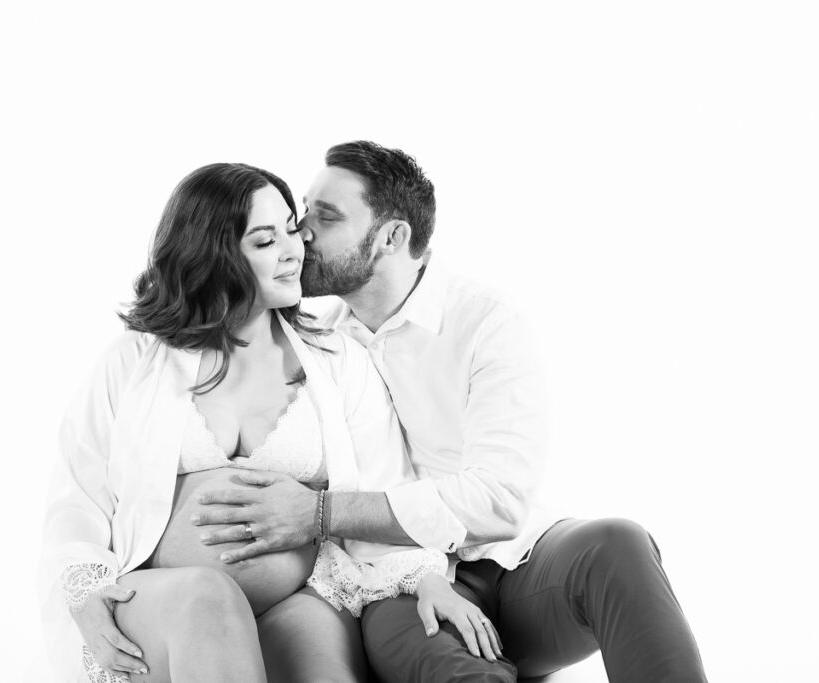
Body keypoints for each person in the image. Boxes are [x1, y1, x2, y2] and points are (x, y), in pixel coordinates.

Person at [193, 142, 710, 682]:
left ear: (393, 237)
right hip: (397, 580)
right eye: (305, 212)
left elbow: (499, 500)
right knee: (448, 664)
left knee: (618, 543)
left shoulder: (485, 323)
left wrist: (320, 512)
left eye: (326, 217)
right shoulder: (314, 345)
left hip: (517, 564)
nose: (300, 235)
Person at [38, 162, 500, 683]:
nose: (293, 250)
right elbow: (78, 491)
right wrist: (80, 584)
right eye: (265, 241)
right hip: (158, 592)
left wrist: (427, 578)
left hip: (300, 592)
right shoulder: (134, 360)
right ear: (212, 253)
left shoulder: (336, 359)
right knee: (209, 597)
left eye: (290, 229)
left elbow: (382, 480)